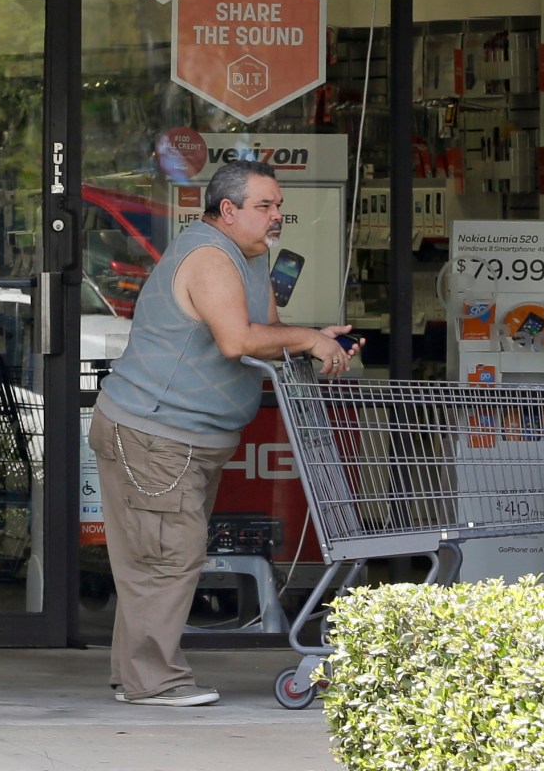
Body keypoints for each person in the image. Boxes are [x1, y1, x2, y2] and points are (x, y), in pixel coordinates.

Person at [89, 158, 353, 707]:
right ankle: (151, 681)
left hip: (185, 436)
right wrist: (305, 340)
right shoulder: (210, 257)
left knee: (157, 558)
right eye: (265, 206)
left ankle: (136, 677)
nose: (277, 216)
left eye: (279, 206)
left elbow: (265, 334)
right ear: (227, 210)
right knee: (167, 559)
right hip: (157, 433)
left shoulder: (252, 256)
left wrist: (315, 337)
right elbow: (237, 341)